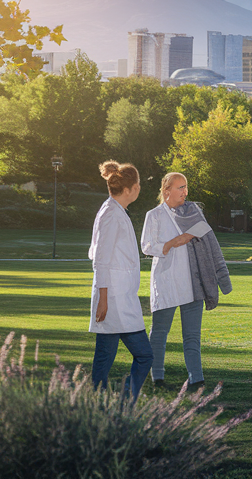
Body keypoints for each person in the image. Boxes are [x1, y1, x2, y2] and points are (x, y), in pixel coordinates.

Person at [141, 172, 231, 390]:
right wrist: (174, 242)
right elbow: (146, 246)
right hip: (167, 282)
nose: (185, 192)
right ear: (166, 191)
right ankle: (157, 377)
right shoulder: (154, 215)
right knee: (159, 333)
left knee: (192, 336)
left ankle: (196, 379)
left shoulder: (194, 213)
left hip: (193, 283)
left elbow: (209, 242)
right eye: (180, 187)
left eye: (186, 187)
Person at [89, 160, 152, 400]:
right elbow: (100, 258)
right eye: (137, 185)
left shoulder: (113, 211)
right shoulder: (111, 215)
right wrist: (103, 299)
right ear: (129, 189)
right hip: (114, 299)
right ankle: (123, 402)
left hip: (120, 297)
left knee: (104, 358)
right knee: (144, 355)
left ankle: (102, 406)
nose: (138, 188)